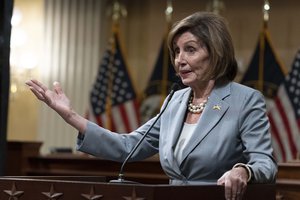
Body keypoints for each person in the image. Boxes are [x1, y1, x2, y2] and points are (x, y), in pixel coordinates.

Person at [26, 11, 277, 200]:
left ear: (216, 53)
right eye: (176, 51)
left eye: (190, 50)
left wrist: (243, 171)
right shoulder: (175, 100)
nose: (180, 60)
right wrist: (70, 115)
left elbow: (265, 163)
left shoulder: (244, 100)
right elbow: (128, 147)